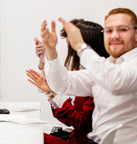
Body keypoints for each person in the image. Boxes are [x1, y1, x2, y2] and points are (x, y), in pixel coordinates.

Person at [42, 8, 137, 144]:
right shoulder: (107, 65)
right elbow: (62, 85)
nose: (114, 35)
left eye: (122, 29)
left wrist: (81, 47)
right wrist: (51, 53)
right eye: (109, 30)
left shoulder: (125, 66)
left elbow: (116, 81)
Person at [27, 19, 109, 144]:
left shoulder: (99, 76)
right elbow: (67, 117)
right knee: (30, 134)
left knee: (31, 136)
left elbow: (81, 123)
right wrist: (44, 61)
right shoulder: (86, 72)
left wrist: (53, 93)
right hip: (75, 138)